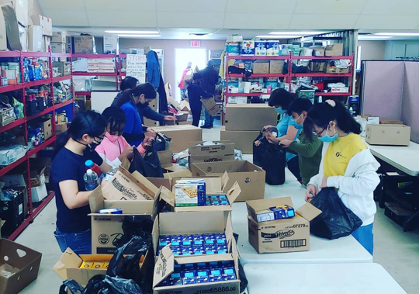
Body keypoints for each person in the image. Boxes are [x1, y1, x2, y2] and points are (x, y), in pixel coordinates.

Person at [305, 100, 380, 255]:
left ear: (331, 124)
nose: (319, 137)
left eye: (319, 132)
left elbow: (368, 183)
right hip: (334, 214)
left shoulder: (356, 146)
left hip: (355, 219)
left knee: (359, 268)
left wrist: (331, 181)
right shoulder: (331, 141)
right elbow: (327, 171)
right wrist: (314, 183)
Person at [51, 111, 112, 255]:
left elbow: (108, 169)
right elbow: (71, 200)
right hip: (75, 232)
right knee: (81, 275)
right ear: (85, 137)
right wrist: (101, 190)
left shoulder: (87, 150)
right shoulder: (65, 162)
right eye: (100, 137)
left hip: (90, 222)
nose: (102, 140)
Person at [259, 88, 302, 183]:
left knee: (300, 181)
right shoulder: (284, 114)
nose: (276, 108)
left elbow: (290, 137)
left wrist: (274, 140)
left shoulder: (293, 115)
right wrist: (273, 128)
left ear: (284, 103)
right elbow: (283, 129)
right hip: (283, 154)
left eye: (277, 105)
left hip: (292, 156)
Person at [279, 98, 323, 187]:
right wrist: (284, 146)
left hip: (315, 180)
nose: (292, 120)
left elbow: (309, 150)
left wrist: (291, 144)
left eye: (294, 116)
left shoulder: (315, 131)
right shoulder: (304, 130)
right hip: (307, 179)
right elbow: (301, 150)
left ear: (304, 114)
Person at [199, 60, 219, 129]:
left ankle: (207, 123)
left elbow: (198, 80)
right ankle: (211, 122)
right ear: (212, 65)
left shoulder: (201, 71)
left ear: (207, 64)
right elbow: (217, 81)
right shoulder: (215, 72)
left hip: (204, 91)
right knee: (211, 107)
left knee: (206, 108)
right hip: (212, 91)